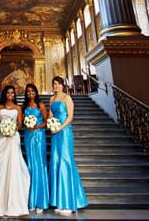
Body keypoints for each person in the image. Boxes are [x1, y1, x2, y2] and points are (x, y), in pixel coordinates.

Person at [0, 85, 30, 217]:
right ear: (5, 94)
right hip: (2, 138)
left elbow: (20, 124)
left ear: (14, 95)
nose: (11, 95)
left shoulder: (18, 108)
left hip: (13, 138)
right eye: (8, 93)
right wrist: (3, 129)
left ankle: (14, 201)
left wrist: (13, 128)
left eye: (12, 93)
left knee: (14, 165)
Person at [49, 76, 88, 215]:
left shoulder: (67, 98)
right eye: (54, 84)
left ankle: (69, 203)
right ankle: (60, 201)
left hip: (64, 132)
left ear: (63, 85)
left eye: (58, 84)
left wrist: (59, 128)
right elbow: (51, 115)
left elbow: (70, 117)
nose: (56, 86)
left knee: (65, 161)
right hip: (55, 132)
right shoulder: (52, 99)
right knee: (56, 162)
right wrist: (51, 124)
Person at [22, 83, 49, 213]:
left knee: (39, 165)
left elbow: (46, 122)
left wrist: (36, 127)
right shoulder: (25, 106)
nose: (30, 93)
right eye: (28, 91)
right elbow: (21, 123)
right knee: (30, 166)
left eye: (32, 91)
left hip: (38, 137)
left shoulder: (41, 105)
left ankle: (41, 201)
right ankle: (31, 200)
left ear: (36, 92)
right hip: (28, 136)